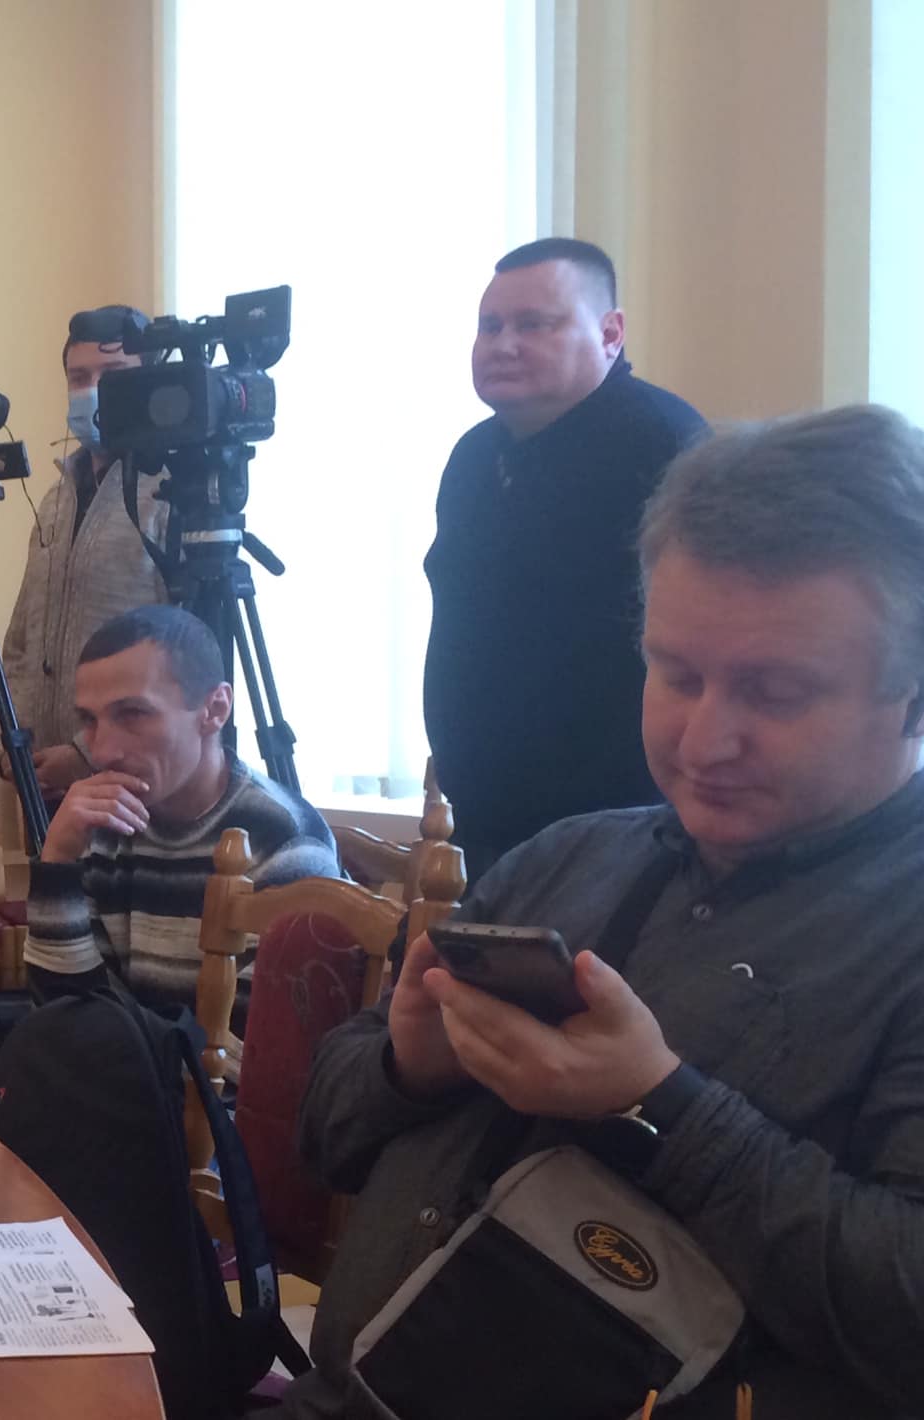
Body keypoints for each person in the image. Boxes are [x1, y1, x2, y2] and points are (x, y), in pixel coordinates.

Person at [280, 406, 924, 1418]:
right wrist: (407, 1069)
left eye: (774, 693)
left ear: (911, 693)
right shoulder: (564, 855)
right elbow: (326, 1138)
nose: (703, 741)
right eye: (677, 675)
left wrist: (656, 1106)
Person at [424, 238, 706, 881]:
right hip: (486, 825)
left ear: (610, 334)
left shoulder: (663, 446)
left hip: (622, 832)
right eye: (490, 326)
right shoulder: (472, 457)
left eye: (534, 324)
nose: (503, 345)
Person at [24, 606, 338, 1016]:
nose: (101, 752)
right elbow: (63, 1015)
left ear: (215, 710)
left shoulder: (282, 842)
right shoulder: (103, 825)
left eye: (132, 714)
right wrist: (57, 862)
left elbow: (254, 1041)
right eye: (89, 720)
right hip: (123, 1056)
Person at [1, 305, 171, 801]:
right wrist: (18, 738)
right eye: (79, 377)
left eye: (111, 375)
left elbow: (183, 658)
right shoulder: (56, 499)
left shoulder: (172, 497)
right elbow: (21, 640)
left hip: (137, 790)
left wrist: (85, 752)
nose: (92, 390)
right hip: (44, 786)